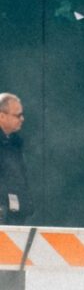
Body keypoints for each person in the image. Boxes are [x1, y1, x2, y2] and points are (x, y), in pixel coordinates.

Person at [0, 93, 33, 224]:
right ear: (1, 116)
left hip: (15, 215)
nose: (22, 119)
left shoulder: (15, 143)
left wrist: (25, 205)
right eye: (17, 115)